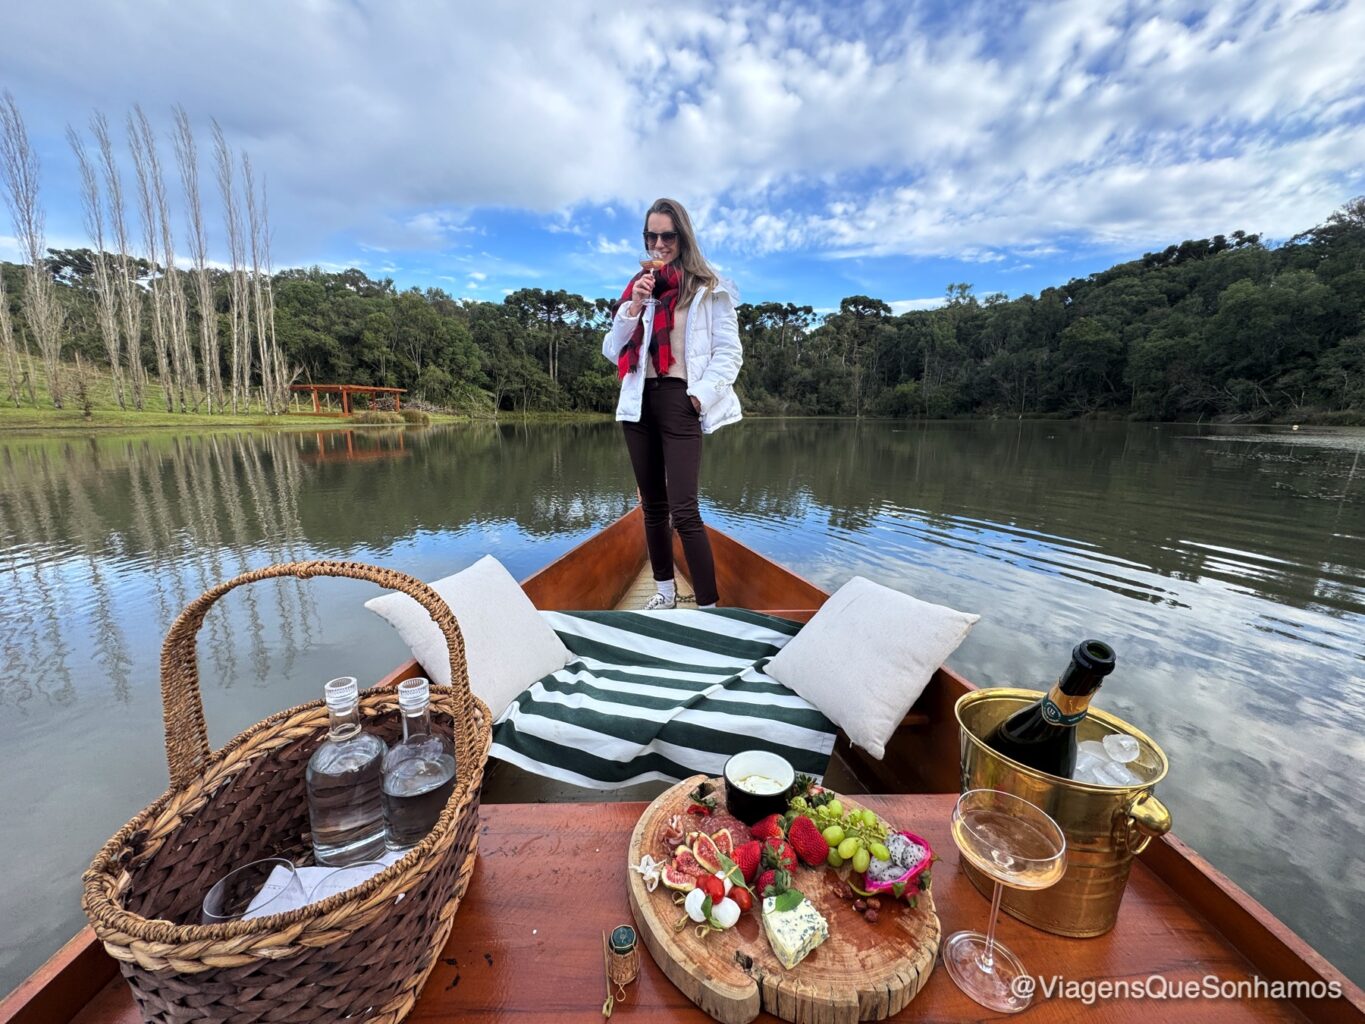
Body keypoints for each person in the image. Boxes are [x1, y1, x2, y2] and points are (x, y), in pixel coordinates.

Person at [602, 198, 742, 609]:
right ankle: (664, 592)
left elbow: (729, 353)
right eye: (651, 235)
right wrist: (633, 308)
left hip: (681, 398)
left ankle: (709, 607)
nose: (658, 244)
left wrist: (699, 397)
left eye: (667, 235)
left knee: (684, 510)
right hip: (638, 401)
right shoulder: (637, 288)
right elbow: (613, 350)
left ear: (682, 236)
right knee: (652, 507)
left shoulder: (709, 288)